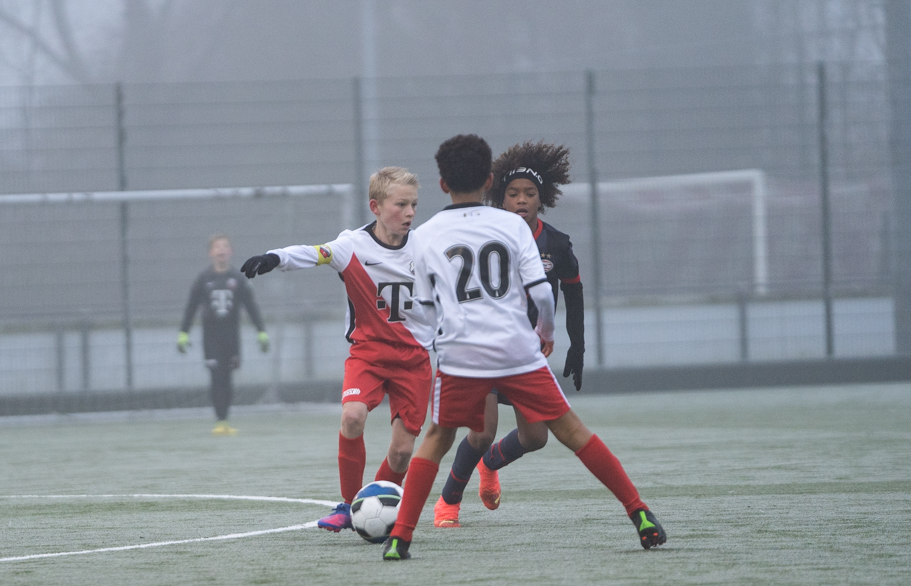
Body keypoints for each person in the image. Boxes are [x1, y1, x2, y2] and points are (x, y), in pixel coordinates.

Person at [382, 134, 665, 560]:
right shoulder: (513, 225)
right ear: (491, 180)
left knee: (438, 439)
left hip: (462, 355)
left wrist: (433, 343)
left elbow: (423, 308)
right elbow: (543, 295)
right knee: (572, 432)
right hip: (518, 350)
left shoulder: (423, 236)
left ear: (442, 184)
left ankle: (400, 537)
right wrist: (546, 333)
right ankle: (639, 512)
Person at [239, 166, 433, 532]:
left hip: (414, 361)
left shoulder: (426, 248)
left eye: (414, 205)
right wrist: (275, 258)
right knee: (352, 417)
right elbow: (315, 253)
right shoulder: (352, 246)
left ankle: (375, 503)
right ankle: (349, 505)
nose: (409, 213)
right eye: (401, 204)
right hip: (369, 354)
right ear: (375, 207)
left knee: (402, 451)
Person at [433, 140, 586, 528]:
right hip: (483, 347)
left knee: (536, 437)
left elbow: (572, 291)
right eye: (513, 193)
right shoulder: (486, 234)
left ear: (542, 199)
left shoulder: (557, 244)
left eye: (529, 194)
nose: (521, 200)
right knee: (481, 432)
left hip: (524, 353)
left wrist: (577, 345)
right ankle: (448, 503)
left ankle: (490, 465)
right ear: (498, 196)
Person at [178, 234, 270, 435]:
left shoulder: (238, 279)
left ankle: (225, 420)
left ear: (231, 251)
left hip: (231, 336)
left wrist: (260, 330)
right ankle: (219, 420)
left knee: (227, 378)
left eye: (225, 246)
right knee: (216, 376)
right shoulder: (204, 279)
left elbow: (251, 306)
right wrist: (183, 333)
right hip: (211, 337)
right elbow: (191, 306)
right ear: (210, 252)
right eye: (217, 247)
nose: (221, 250)